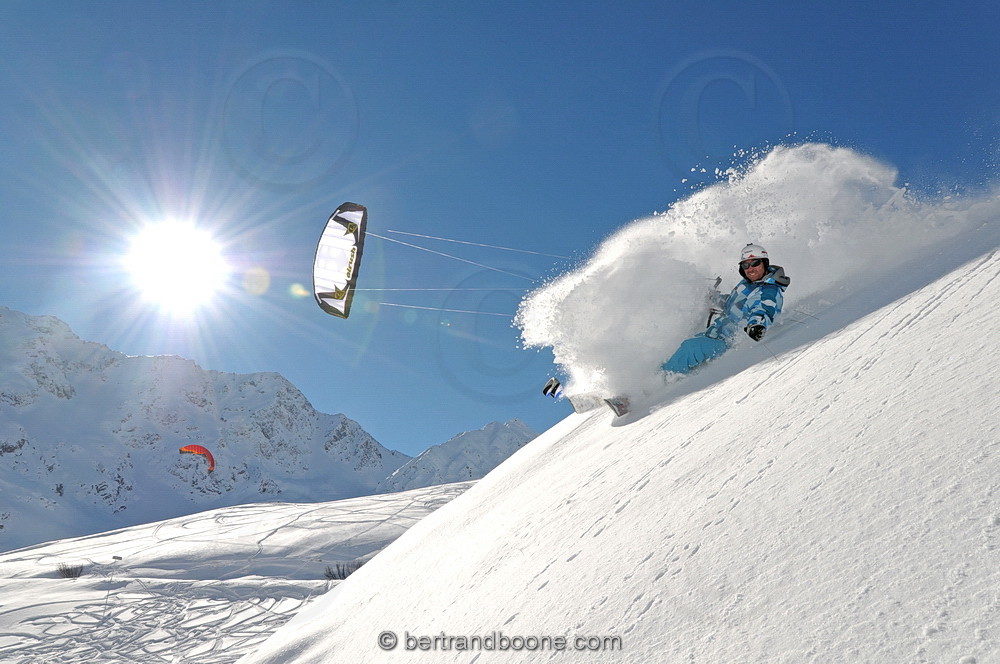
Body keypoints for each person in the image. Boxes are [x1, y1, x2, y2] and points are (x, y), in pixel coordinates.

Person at [661, 243, 790, 375]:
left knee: (690, 348)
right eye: (745, 265)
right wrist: (713, 297)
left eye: (755, 263)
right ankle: (671, 375)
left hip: (731, 344)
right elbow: (733, 304)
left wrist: (756, 325)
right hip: (718, 334)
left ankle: (663, 379)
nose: (750, 268)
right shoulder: (748, 284)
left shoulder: (768, 291)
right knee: (686, 343)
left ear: (764, 263)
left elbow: (763, 309)